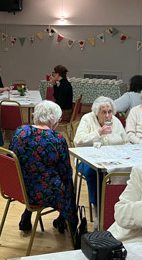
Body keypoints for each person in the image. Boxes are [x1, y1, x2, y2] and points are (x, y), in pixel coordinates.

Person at [9, 100, 78, 235]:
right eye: (58, 119)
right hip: (43, 192)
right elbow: (65, 172)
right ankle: (65, 220)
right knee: (68, 183)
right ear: (52, 119)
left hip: (18, 187)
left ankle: (27, 214)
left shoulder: (20, 131)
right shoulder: (57, 139)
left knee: (33, 174)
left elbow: (10, 158)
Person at [74, 96, 128, 206]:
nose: (108, 116)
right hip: (87, 160)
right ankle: (98, 207)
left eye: (110, 112)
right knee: (94, 172)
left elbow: (125, 141)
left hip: (113, 159)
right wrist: (98, 133)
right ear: (96, 112)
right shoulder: (87, 119)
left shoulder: (115, 121)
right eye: (104, 112)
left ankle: (118, 202)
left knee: (129, 168)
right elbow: (77, 141)